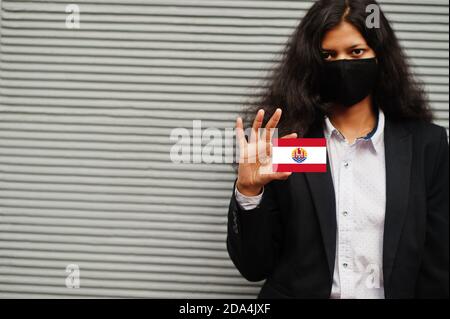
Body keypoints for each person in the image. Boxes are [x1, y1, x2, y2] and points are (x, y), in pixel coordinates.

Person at [227, 0, 449, 299]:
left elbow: (437, 269)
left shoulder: (426, 146)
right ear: (312, 62)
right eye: (328, 55)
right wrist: (249, 192)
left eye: (356, 52)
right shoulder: (290, 144)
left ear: (379, 55)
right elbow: (255, 266)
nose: (343, 65)